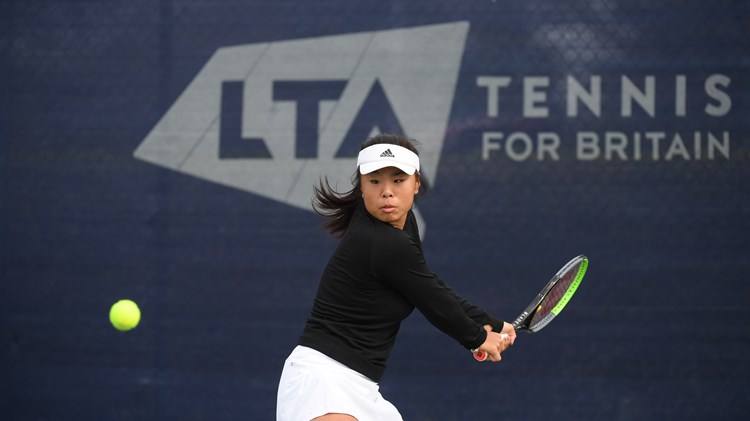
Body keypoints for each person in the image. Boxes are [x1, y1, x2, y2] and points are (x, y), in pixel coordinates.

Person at [276, 133, 516, 421]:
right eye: (375, 181)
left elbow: (427, 283)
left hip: (361, 387)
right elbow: (431, 300)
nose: (387, 192)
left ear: (416, 183)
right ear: (361, 188)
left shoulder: (402, 226)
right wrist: (477, 338)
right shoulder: (383, 242)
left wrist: (488, 321)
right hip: (321, 381)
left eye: (398, 180)